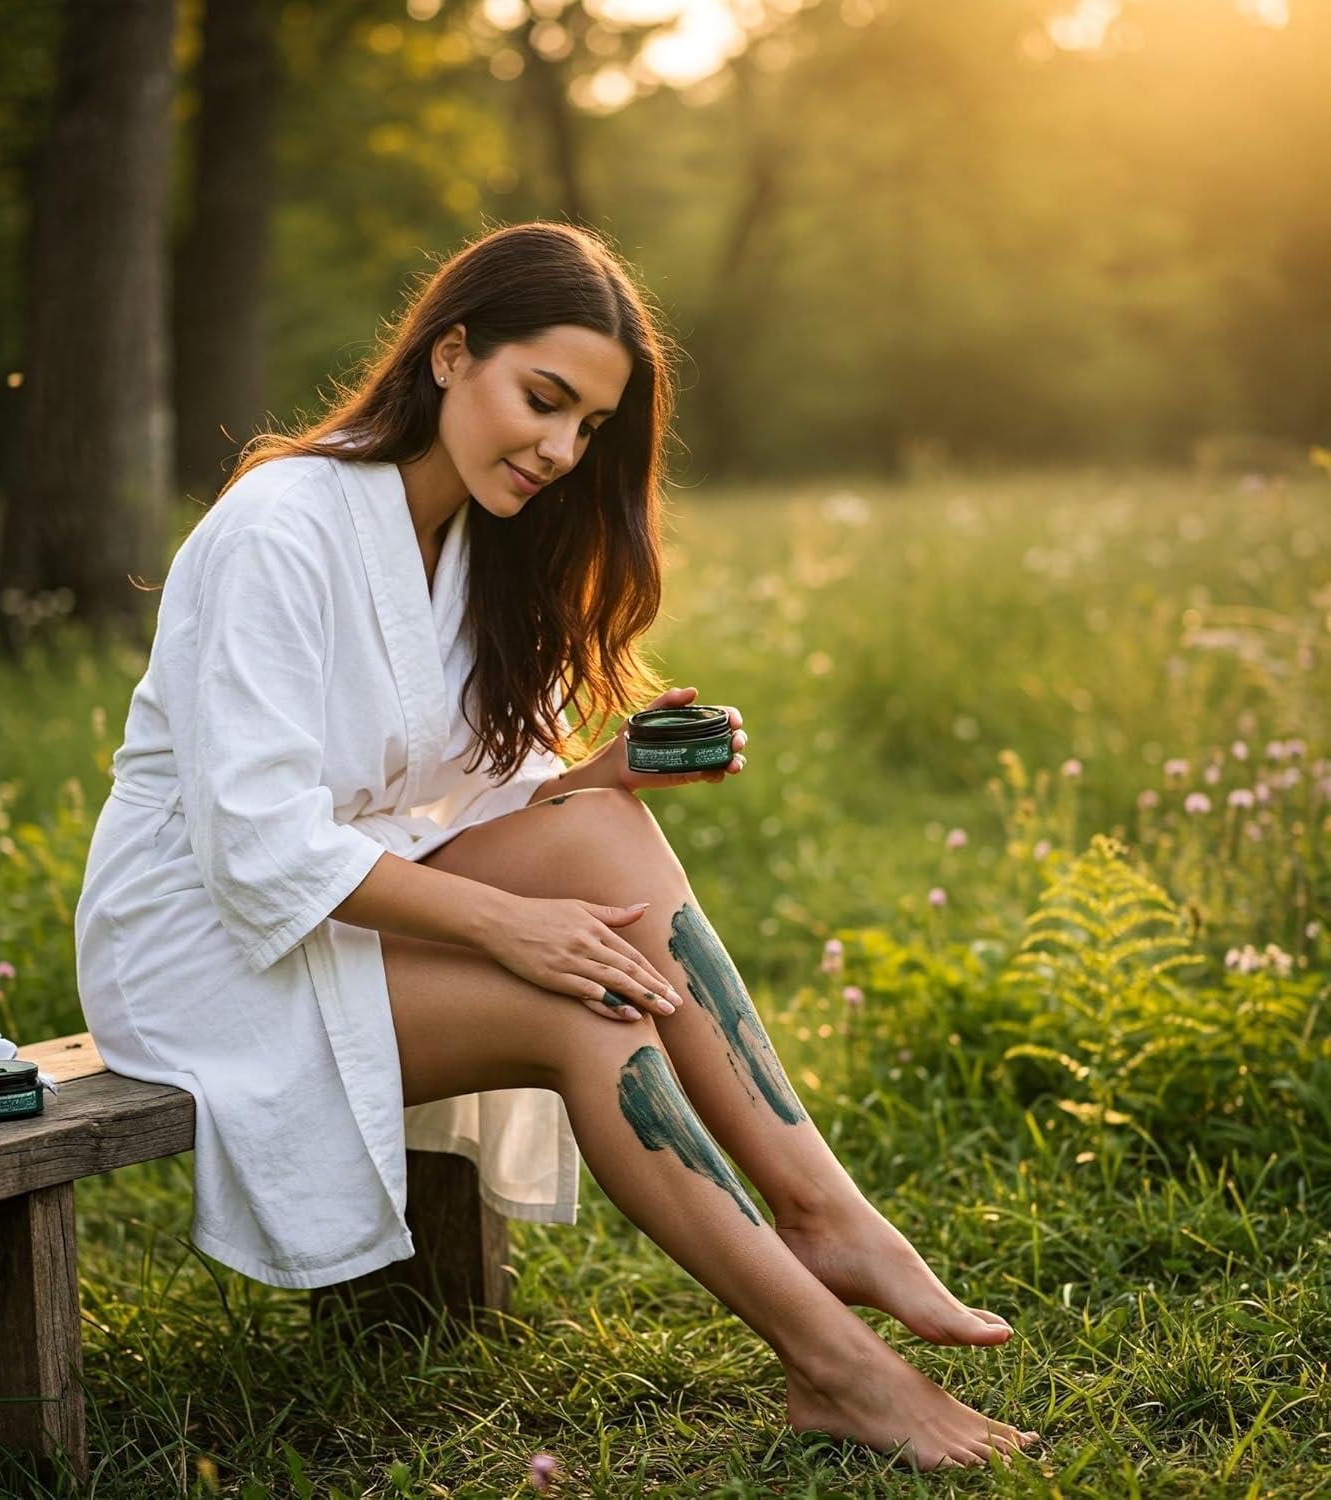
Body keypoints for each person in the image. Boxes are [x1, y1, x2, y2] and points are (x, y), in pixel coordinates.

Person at [75, 220, 1038, 1471]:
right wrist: (511, 929)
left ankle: (821, 1210)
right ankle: (841, 1369)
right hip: (203, 951)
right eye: (543, 400)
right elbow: (255, 848)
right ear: (449, 352)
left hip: (346, 905)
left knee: (602, 828)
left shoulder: (472, 546)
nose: (559, 450)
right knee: (587, 1012)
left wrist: (599, 774)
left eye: (588, 426)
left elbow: (478, 801)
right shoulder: (283, 528)